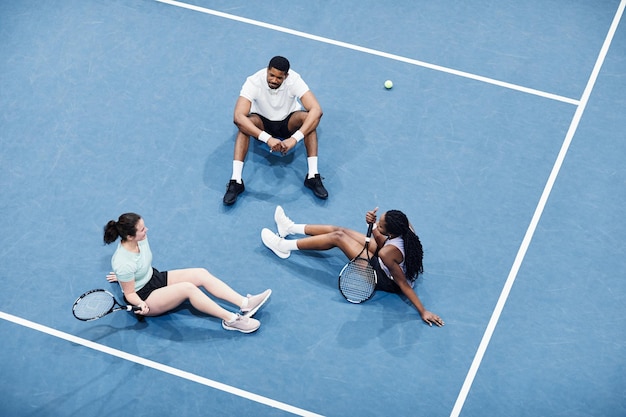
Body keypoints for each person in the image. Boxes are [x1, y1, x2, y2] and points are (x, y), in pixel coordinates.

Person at [261, 206, 444, 327]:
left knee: (338, 238)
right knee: (342, 230)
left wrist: (423, 310)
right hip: (388, 258)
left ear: (391, 231)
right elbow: (382, 241)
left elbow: (402, 283)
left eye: (381, 225)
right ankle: (290, 228)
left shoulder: (387, 253)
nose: (378, 224)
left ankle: (283, 247)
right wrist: (371, 225)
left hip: (385, 278)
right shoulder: (405, 227)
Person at [103, 212, 271, 333]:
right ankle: (232, 320)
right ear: (130, 236)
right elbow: (130, 293)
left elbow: (137, 265)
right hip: (144, 297)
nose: (146, 230)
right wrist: (140, 303)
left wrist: (125, 276)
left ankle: (245, 304)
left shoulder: (140, 240)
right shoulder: (123, 263)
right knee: (188, 288)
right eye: (142, 229)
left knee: (200, 273)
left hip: (154, 277)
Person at [223, 56, 328, 205]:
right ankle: (236, 180)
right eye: (271, 75)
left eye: (279, 77)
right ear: (267, 70)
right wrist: (268, 139)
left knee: (310, 120)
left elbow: (317, 110)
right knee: (244, 125)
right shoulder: (253, 81)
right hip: (261, 123)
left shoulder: (295, 80)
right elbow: (238, 117)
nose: (274, 80)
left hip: (288, 122)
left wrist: (294, 139)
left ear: (286, 76)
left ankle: (312, 176)